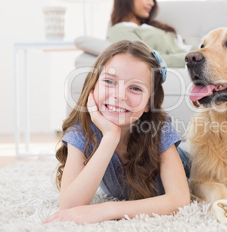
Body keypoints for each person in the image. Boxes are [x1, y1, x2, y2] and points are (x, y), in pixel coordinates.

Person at [44, 40, 191, 224]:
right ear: (93, 86)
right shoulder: (82, 132)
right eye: (109, 82)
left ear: (148, 103)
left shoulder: (159, 129)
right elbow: (69, 207)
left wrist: (108, 209)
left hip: (188, 164)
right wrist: (110, 138)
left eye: (136, 88)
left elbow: (180, 200)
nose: (120, 95)